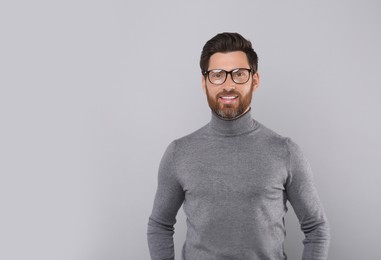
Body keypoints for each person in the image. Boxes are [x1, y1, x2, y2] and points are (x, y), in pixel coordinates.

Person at [147, 32, 330, 260]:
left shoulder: (285, 151)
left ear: (255, 80)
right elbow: (160, 225)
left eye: (239, 74)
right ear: (204, 83)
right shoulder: (179, 153)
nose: (228, 85)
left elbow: (316, 228)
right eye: (217, 75)